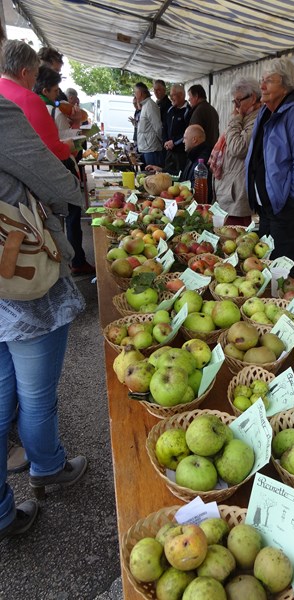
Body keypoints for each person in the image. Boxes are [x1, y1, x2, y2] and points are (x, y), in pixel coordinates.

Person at [0, 21, 88, 542]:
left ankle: (3, 513)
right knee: (35, 395)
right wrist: (75, 193)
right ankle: (47, 468)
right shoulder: (7, 107)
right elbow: (50, 176)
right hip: (19, 275)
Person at [245, 57, 294, 278]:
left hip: (289, 205)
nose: (262, 86)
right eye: (262, 80)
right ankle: (274, 304)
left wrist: (290, 202)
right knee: (267, 265)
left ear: (286, 84)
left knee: (281, 269)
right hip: (272, 204)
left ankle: (285, 310)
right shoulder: (267, 111)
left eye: (269, 80)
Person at [33, 66, 95, 276]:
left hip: (43, 170)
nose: (56, 94)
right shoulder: (53, 111)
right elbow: (67, 144)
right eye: (54, 90)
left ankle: (63, 261)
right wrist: (77, 125)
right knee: (73, 214)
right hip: (61, 167)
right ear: (46, 91)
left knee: (55, 218)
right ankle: (76, 260)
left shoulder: (34, 107)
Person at [212, 77, 261, 226]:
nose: (236, 107)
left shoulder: (256, 118)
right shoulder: (244, 117)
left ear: (253, 98)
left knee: (234, 236)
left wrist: (235, 120)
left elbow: (238, 148)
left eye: (238, 101)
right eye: (234, 102)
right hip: (228, 190)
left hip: (237, 193)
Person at [145, 124, 212, 199]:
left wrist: (170, 186)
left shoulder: (203, 160)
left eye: (185, 138)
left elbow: (193, 188)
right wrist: (161, 170)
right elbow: (181, 175)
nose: (183, 141)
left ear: (194, 140)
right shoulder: (194, 154)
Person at [163, 83, 191, 175]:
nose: (171, 98)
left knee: (179, 177)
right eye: (170, 95)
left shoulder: (188, 111)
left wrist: (174, 142)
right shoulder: (170, 110)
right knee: (166, 175)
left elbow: (188, 132)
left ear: (181, 95)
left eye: (173, 95)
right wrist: (166, 141)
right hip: (169, 151)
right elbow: (164, 127)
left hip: (181, 153)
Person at [134, 82, 163, 168]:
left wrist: (160, 143)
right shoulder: (145, 105)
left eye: (135, 93)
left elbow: (158, 127)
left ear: (140, 93)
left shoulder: (150, 105)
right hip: (147, 149)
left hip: (152, 150)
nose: (135, 96)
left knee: (152, 177)